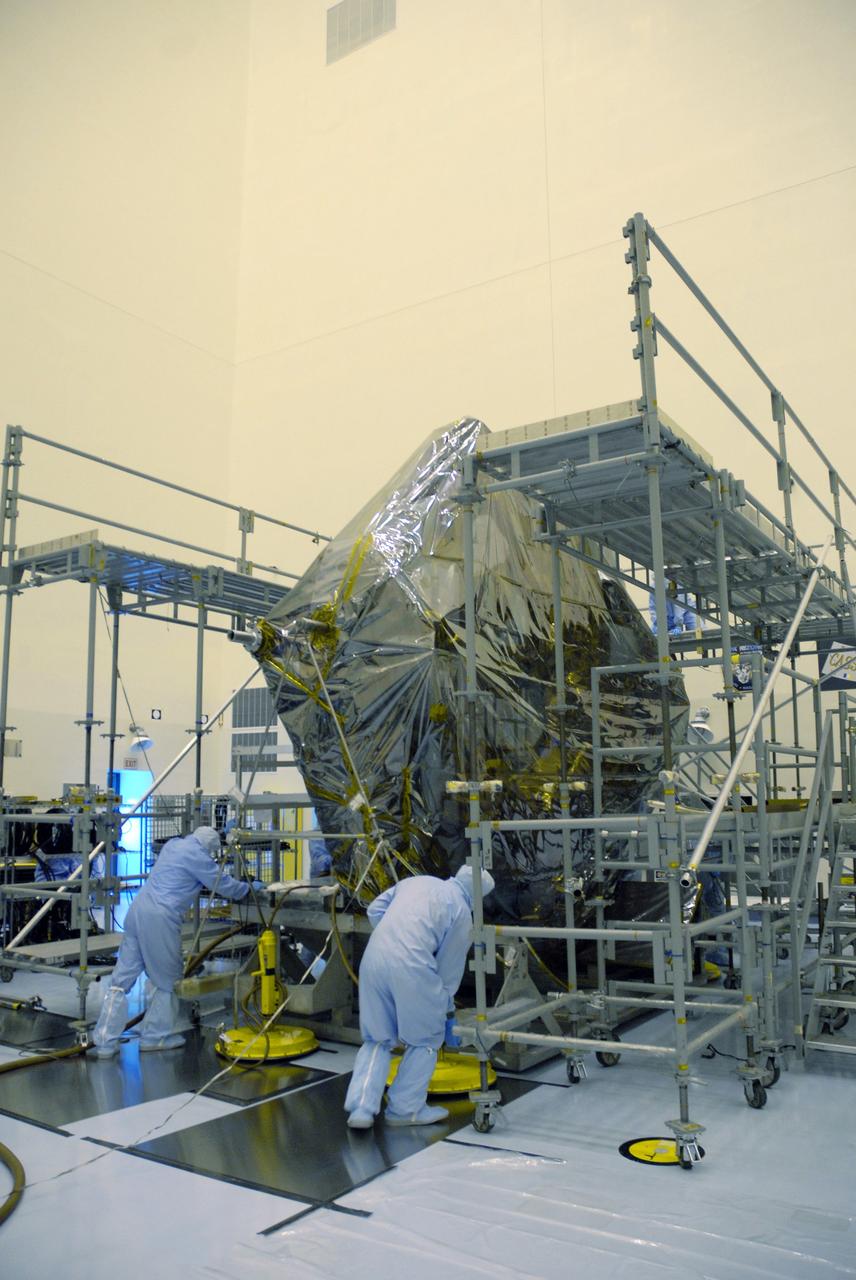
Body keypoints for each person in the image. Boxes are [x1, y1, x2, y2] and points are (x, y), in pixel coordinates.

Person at [91, 825, 265, 1058]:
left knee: (121, 979)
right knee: (167, 981)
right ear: (209, 849)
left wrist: (221, 833)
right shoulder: (199, 857)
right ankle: (155, 1037)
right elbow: (224, 886)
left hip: (137, 911)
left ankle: (104, 1041)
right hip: (160, 918)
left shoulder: (173, 845)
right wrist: (250, 888)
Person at [344, 863, 495, 1130]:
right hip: (413, 966)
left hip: (374, 959)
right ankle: (405, 1109)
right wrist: (446, 1010)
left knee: (377, 1038)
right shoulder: (462, 911)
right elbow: (448, 970)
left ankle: (361, 1109)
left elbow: (374, 910)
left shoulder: (417, 881)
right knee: (425, 1039)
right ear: (478, 896)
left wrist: (395, 938)